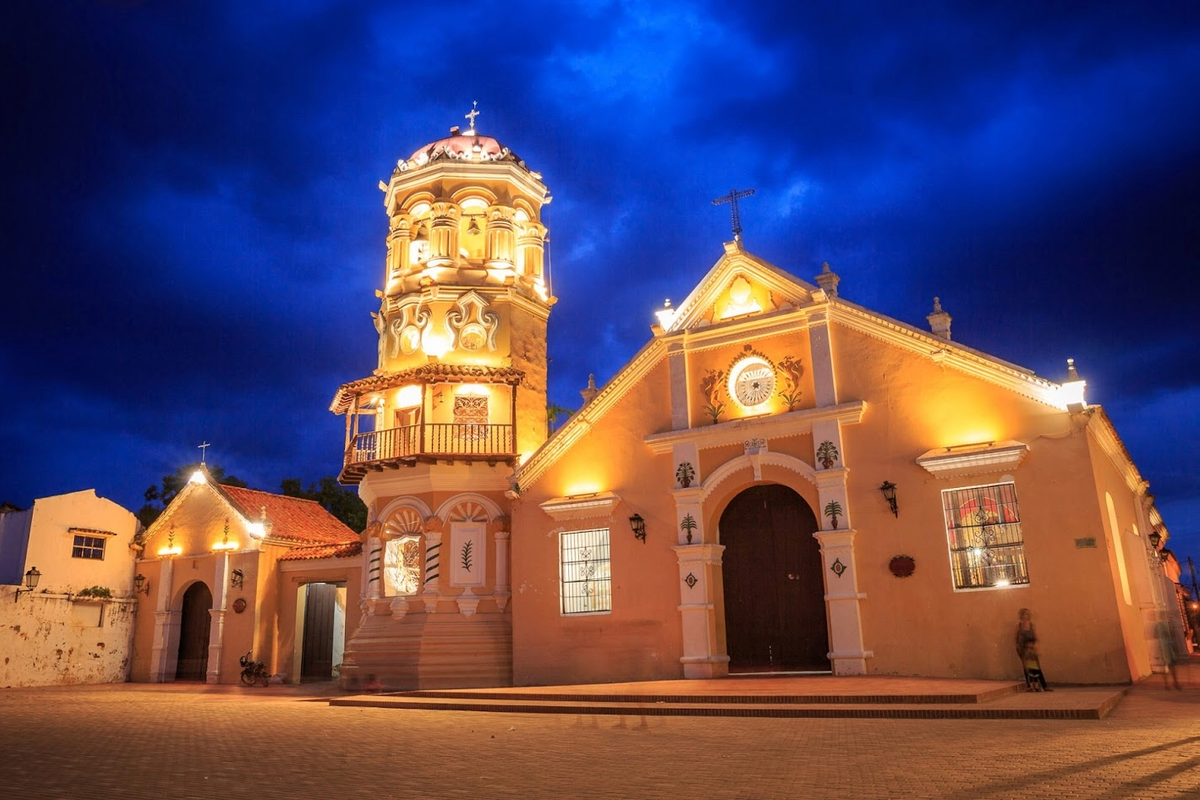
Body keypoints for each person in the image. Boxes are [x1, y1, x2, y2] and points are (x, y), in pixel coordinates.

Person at [1016, 608, 1052, 691]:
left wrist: (1035, 647)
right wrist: (1019, 647)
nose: (1026, 615)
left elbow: (1035, 637)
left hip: (1031, 649)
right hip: (1023, 649)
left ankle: (1043, 685)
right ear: (1022, 615)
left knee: (1036, 667)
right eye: (1025, 614)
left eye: (1027, 614)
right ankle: (1030, 686)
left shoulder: (1032, 625)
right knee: (1027, 667)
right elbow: (1016, 638)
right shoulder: (1019, 626)